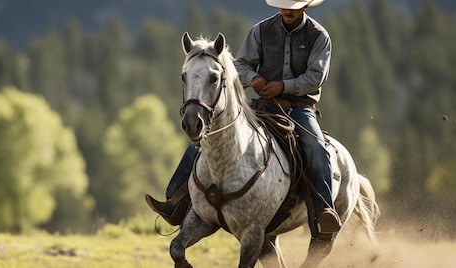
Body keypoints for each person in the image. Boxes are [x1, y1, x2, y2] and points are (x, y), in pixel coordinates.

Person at [146, 0, 341, 239]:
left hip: (299, 108)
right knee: (208, 139)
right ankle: (175, 201)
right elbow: (240, 65)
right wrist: (255, 78)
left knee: (315, 147)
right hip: (263, 106)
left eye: (293, 5)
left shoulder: (319, 36)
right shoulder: (260, 30)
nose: (288, 10)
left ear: (305, 7)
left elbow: (315, 77)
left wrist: (284, 85)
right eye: (284, 5)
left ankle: (324, 212)